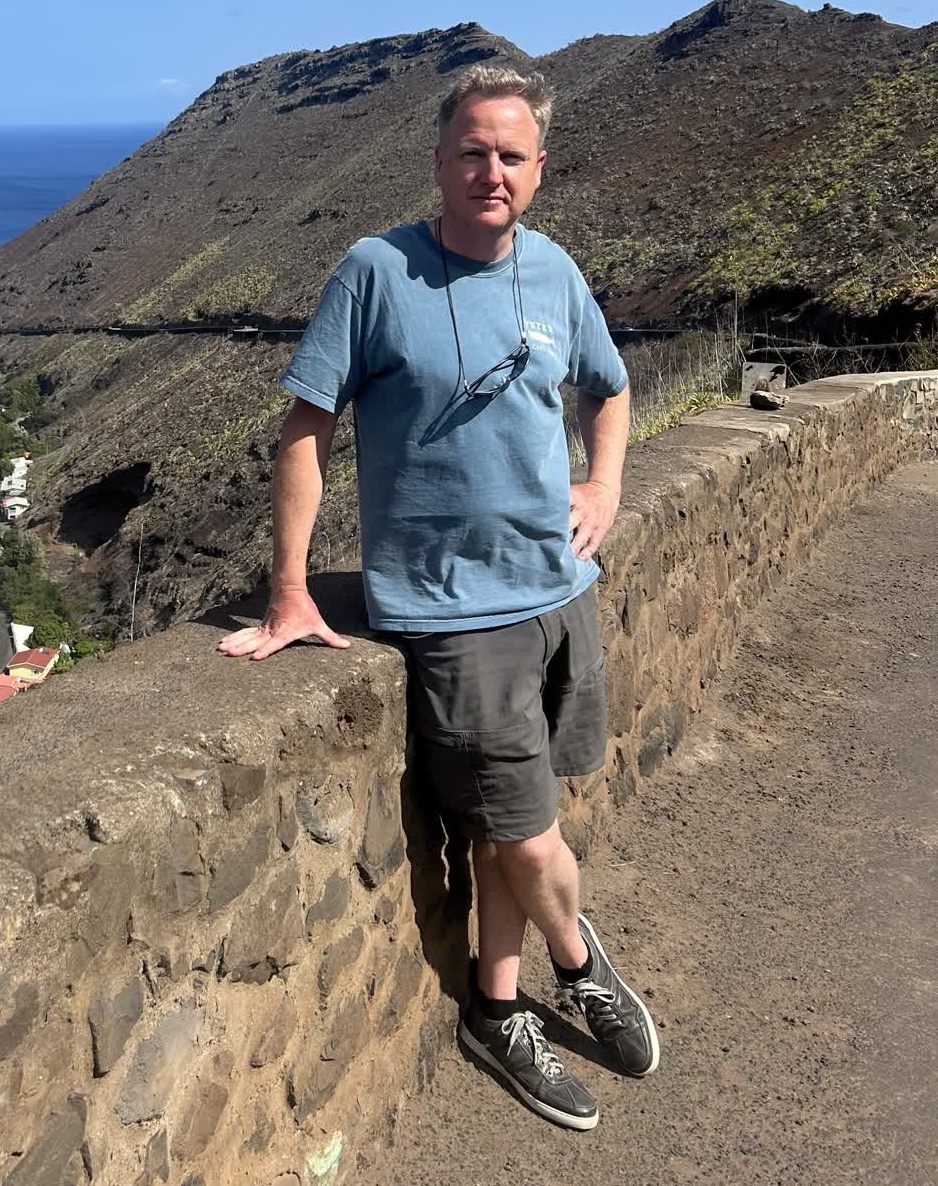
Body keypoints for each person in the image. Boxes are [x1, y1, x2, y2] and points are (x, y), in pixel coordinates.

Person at [218, 64, 658, 1130]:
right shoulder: (376, 272)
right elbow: (305, 431)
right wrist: (290, 592)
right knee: (528, 832)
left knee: (518, 832)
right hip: (452, 614)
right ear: (438, 161)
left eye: (511, 155)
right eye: (472, 151)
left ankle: (496, 1008)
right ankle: (577, 959)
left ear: (539, 170)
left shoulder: (553, 271)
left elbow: (611, 387)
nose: (489, 172)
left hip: (559, 591)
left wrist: (603, 483)